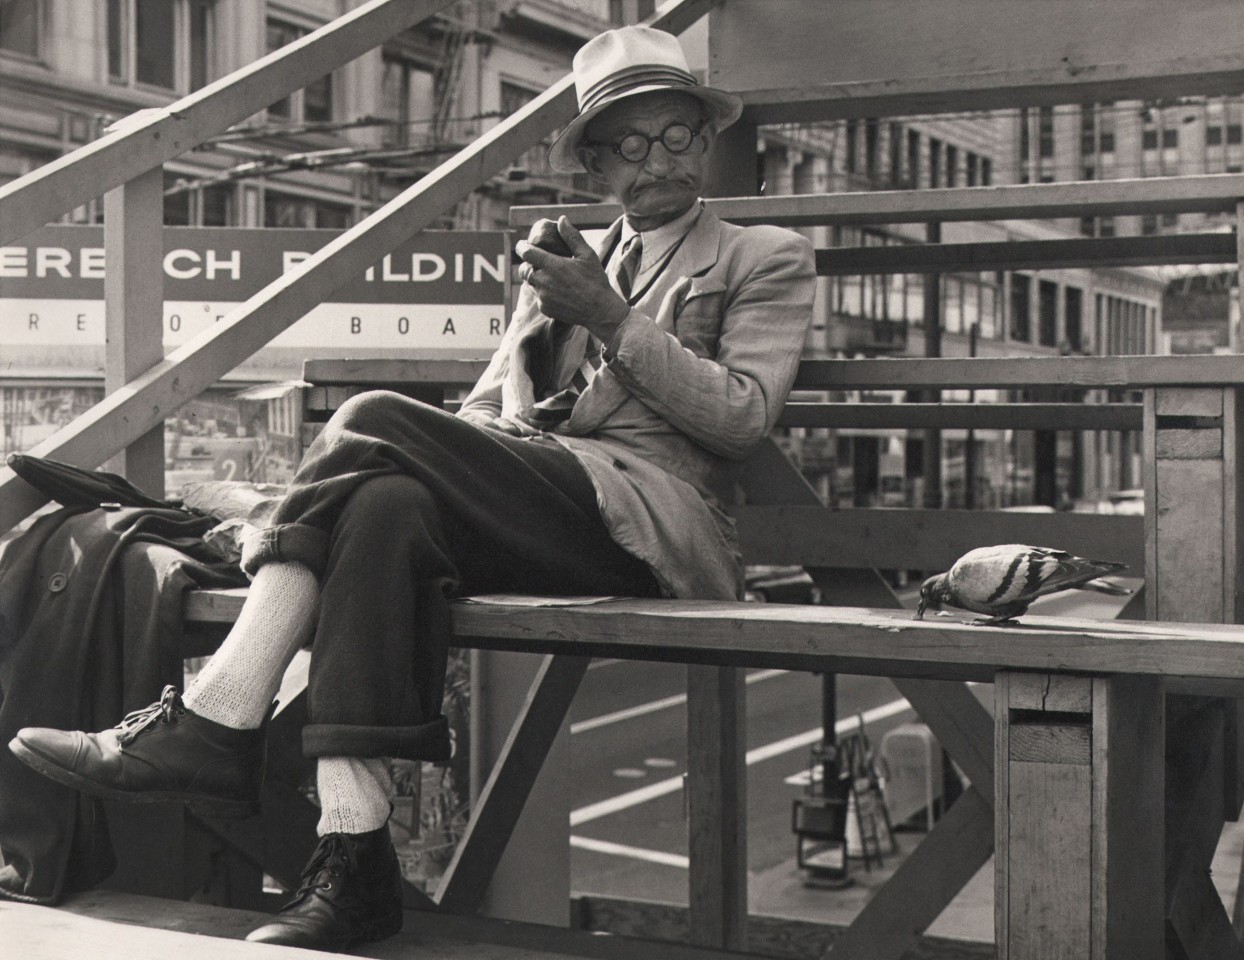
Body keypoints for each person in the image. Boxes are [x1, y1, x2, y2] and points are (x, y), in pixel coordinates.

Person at [9, 24, 815, 952]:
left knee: (374, 415)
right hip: (529, 495)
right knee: (387, 506)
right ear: (596, 164)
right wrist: (495, 405)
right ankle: (354, 867)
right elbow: (481, 410)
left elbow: (743, 418)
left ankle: (217, 714)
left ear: (705, 138)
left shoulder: (764, 256)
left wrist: (608, 315)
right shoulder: (559, 263)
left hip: (649, 523)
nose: (657, 160)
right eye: (628, 145)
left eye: (674, 133)